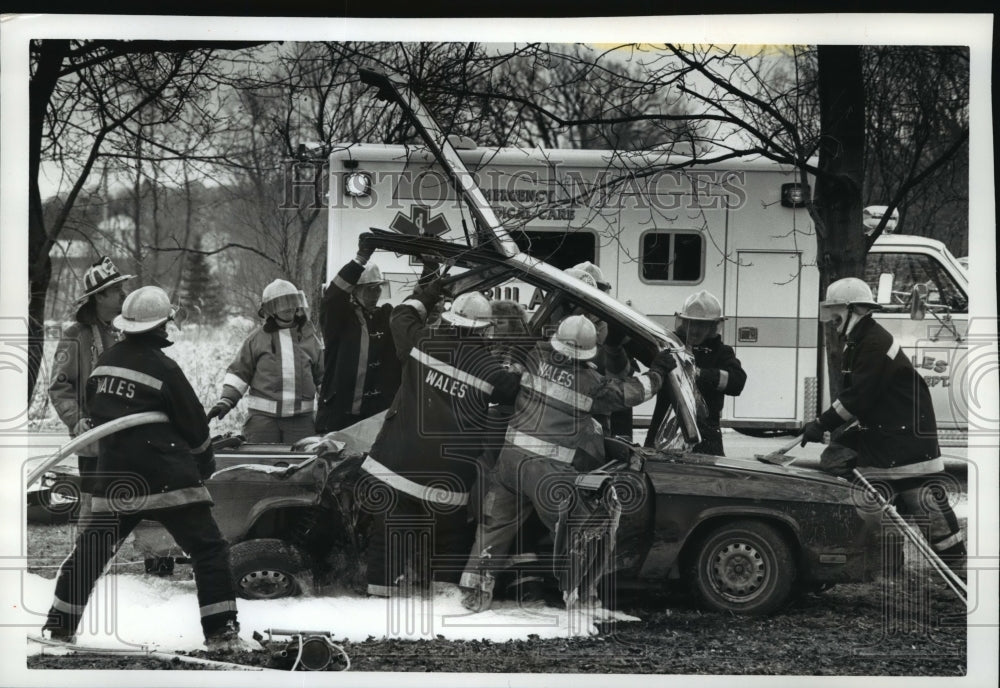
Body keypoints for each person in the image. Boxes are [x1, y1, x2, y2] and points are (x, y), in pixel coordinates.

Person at [42, 286, 248, 652]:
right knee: (209, 551)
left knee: (89, 554)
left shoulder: (103, 365)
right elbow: (196, 428)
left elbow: (100, 415)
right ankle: (222, 635)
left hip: (116, 482)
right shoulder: (165, 368)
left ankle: (58, 629)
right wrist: (203, 466)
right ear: (163, 324)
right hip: (168, 480)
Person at [459, 314, 678, 612]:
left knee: (493, 528)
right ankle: (581, 599)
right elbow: (631, 392)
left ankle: (474, 594)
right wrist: (659, 371)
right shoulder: (590, 383)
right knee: (576, 532)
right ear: (589, 350)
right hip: (548, 475)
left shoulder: (535, 356)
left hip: (509, 465)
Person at [360, 285, 522, 598]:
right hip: (448, 480)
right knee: (449, 541)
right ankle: (444, 601)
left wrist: (428, 290)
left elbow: (401, 315)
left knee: (388, 540)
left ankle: (378, 603)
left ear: (449, 319)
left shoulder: (422, 341)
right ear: (484, 330)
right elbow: (514, 391)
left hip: (395, 466)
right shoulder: (490, 371)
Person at [799, 277, 966, 577]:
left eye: (835, 312)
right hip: (888, 432)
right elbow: (858, 399)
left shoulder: (873, 343)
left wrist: (820, 424)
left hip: (904, 440)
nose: (831, 320)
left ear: (854, 310)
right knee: (835, 459)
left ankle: (960, 573)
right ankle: (889, 559)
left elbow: (857, 398)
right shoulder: (860, 341)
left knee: (927, 507)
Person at [48, 256, 133, 517]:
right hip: (94, 442)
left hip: (128, 437)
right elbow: (59, 387)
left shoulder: (129, 331)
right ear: (100, 296)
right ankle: (88, 556)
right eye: (116, 289)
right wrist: (76, 421)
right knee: (93, 510)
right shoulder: (76, 335)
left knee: (127, 507)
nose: (123, 294)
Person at [208, 279, 322, 444]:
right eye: (281, 304)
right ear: (270, 310)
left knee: (303, 467)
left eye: (291, 302)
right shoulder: (256, 340)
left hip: (301, 423)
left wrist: (330, 411)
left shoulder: (310, 339)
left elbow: (323, 377)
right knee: (258, 465)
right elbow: (239, 374)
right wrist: (226, 401)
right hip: (263, 423)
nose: (288, 308)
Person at [644, 290, 746, 456]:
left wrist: (699, 374)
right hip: (663, 433)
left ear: (713, 326)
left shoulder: (721, 352)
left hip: (704, 437)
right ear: (682, 322)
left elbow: (737, 382)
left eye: (701, 324)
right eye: (690, 323)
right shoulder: (668, 346)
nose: (694, 330)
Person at [315, 242, 403, 433]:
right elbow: (332, 297)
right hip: (339, 415)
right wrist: (359, 260)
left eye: (378, 289)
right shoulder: (339, 318)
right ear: (354, 291)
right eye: (369, 289)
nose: (376, 294)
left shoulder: (386, 316)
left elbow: (413, 311)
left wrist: (430, 268)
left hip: (376, 415)